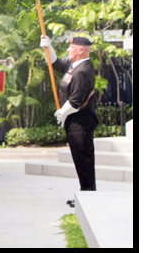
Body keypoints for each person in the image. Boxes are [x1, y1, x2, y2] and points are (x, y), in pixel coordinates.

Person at [40, 36, 99, 191]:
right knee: (80, 160)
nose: (68, 49)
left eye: (71, 47)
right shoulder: (75, 66)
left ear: (80, 50)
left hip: (81, 122)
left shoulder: (82, 70)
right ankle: (86, 191)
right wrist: (48, 47)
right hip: (75, 122)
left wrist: (62, 112)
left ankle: (87, 193)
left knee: (83, 161)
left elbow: (76, 100)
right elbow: (56, 64)